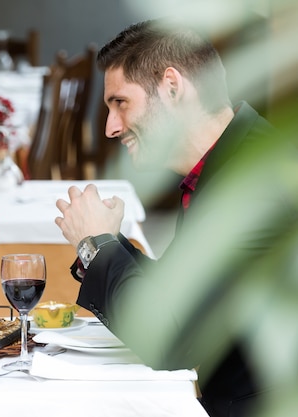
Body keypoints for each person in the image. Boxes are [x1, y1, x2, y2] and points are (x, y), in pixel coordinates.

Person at [54, 19, 298, 417]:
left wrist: (97, 246)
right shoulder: (229, 160)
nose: (110, 128)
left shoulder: (253, 184)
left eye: (120, 103)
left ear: (172, 87)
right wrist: (108, 244)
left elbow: (168, 340)